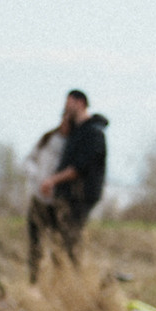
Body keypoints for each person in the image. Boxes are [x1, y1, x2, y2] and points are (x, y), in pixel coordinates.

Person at [31, 89, 107, 280]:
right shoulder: (76, 132)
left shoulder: (93, 133)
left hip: (80, 198)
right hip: (65, 197)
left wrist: (52, 180)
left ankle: (76, 283)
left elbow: (79, 168)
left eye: (68, 103)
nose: (65, 107)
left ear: (80, 102)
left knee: (71, 245)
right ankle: (58, 283)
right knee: (58, 243)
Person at [22, 110, 71, 281]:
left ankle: (57, 283)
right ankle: (33, 281)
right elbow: (28, 160)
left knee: (58, 246)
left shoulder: (73, 144)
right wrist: (39, 179)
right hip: (39, 199)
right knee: (36, 244)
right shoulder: (47, 138)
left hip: (59, 203)